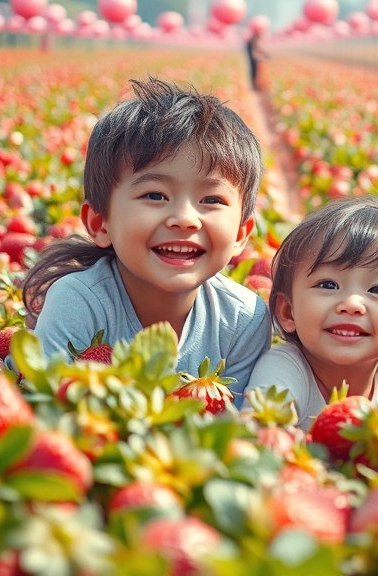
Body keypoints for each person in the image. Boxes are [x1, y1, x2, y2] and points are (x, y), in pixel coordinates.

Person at [22, 77, 271, 404]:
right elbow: (48, 410)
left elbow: (237, 427)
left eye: (211, 200)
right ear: (100, 223)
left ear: (240, 233)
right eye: (155, 195)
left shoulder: (244, 320)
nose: (185, 218)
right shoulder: (77, 303)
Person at [242, 195, 378, 430]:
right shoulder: (284, 368)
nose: (351, 303)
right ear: (288, 312)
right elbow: (258, 435)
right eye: (328, 285)